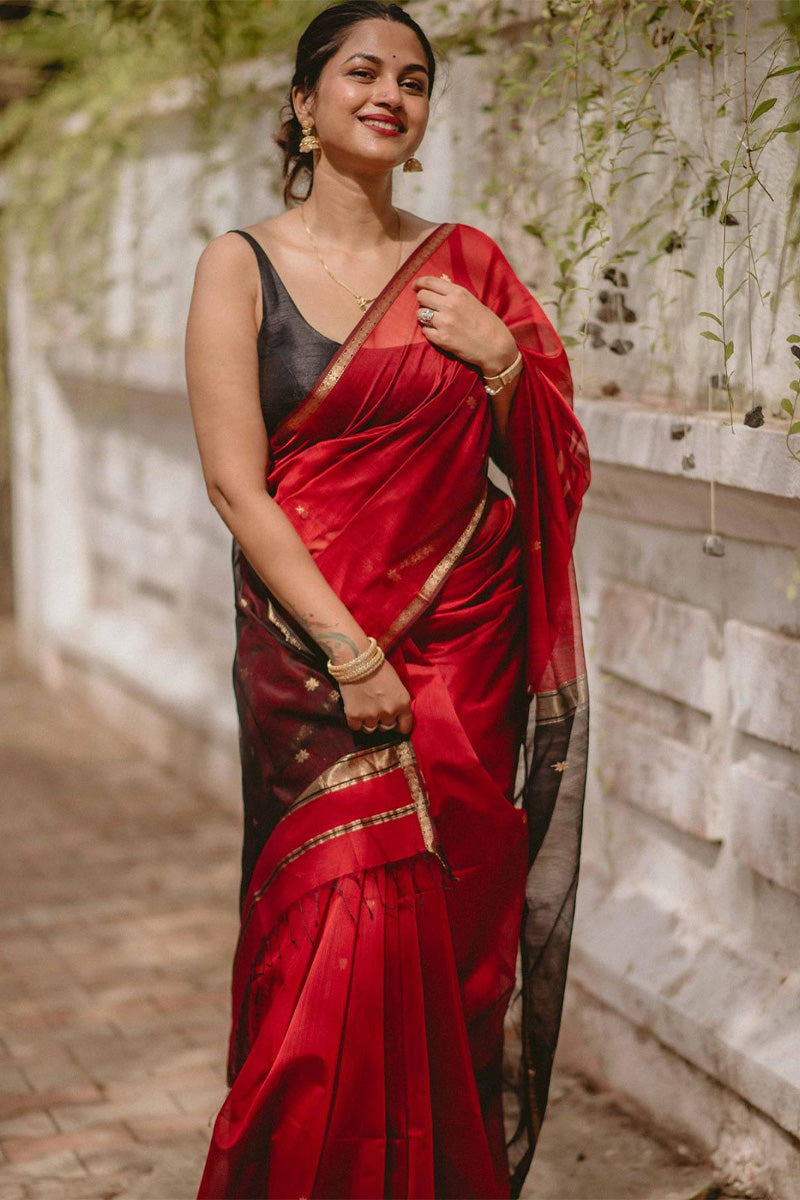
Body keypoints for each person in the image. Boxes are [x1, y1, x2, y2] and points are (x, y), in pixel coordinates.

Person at [184, 2, 590, 1196]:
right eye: (362, 72)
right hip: (314, 660)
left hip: (464, 664)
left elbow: (553, 461)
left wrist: (502, 359)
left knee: (456, 950)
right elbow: (234, 482)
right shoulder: (237, 265)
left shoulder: (468, 269)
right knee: (330, 953)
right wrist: (353, 655)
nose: (390, 95)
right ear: (303, 104)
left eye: (413, 81)